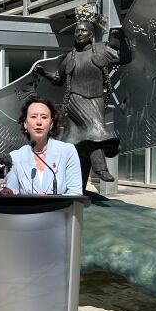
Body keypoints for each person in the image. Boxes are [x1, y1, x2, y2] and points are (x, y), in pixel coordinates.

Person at [36, 16, 131, 186]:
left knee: (80, 144)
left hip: (96, 100)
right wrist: (44, 74)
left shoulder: (102, 50)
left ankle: (79, 185)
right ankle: (100, 167)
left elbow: (125, 58)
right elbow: (59, 80)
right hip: (75, 101)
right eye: (77, 31)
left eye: (83, 30)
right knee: (93, 131)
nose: (79, 34)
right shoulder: (69, 58)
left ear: (91, 34)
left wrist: (121, 38)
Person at [2, 98, 82, 196]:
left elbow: (76, 193)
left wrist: (49, 199)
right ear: (25, 123)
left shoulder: (68, 151)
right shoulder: (15, 157)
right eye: (33, 116)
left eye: (44, 117)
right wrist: (7, 192)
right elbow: (13, 194)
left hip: (60, 210)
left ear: (51, 124)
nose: (39, 122)